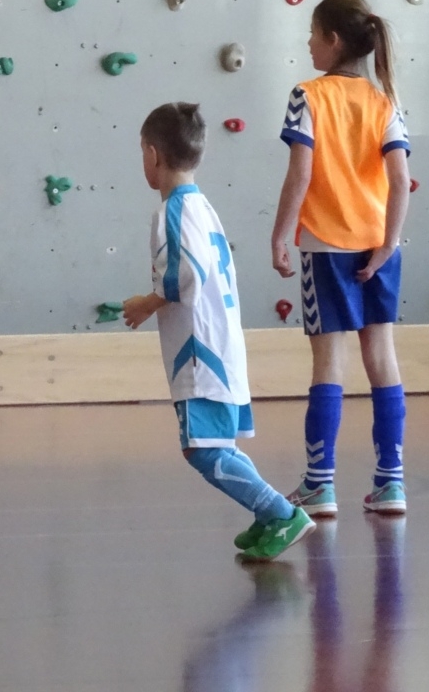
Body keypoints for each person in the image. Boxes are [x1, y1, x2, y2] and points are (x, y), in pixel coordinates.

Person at [124, 102, 314, 561]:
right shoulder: (202, 205)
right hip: (219, 343)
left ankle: (280, 513)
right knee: (215, 444)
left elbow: (184, 274)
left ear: (152, 154)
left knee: (202, 450)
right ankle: (269, 514)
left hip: (199, 351)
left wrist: (146, 304)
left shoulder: (172, 210)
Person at [271, 0, 411, 516]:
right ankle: (391, 483)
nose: (308, 43)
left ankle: (319, 484)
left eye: (312, 33)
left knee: (329, 363)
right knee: (383, 359)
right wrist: (389, 244)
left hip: (327, 247)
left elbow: (300, 172)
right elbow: (400, 181)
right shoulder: (385, 101)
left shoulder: (307, 95)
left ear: (332, 40)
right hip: (378, 246)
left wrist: (280, 234)